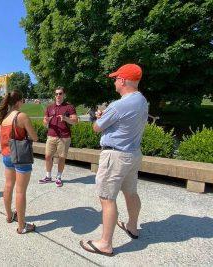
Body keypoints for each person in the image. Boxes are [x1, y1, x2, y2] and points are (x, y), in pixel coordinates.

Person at [80, 64, 148, 257]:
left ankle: (105, 244)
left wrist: (99, 117)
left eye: (116, 78)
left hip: (115, 156)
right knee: (131, 193)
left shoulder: (118, 105)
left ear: (124, 80)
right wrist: (107, 116)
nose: (115, 81)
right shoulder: (142, 101)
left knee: (107, 198)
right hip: (133, 154)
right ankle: (132, 227)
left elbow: (96, 128)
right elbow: (121, 122)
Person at [0, 90, 38, 234]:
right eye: (23, 100)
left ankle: (9, 216)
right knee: (21, 191)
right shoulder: (21, 116)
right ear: (18, 101)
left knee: (8, 185)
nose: (23, 103)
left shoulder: (4, 117)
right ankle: (22, 226)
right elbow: (34, 137)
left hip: (7, 156)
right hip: (21, 156)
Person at [39, 86, 78, 187]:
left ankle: (59, 177)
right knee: (47, 156)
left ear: (64, 95)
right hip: (51, 136)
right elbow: (44, 122)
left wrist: (65, 118)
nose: (58, 95)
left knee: (61, 157)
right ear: (54, 95)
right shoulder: (49, 107)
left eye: (60, 93)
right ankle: (48, 176)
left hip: (64, 137)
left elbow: (75, 121)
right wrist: (46, 121)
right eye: (56, 94)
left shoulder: (69, 107)